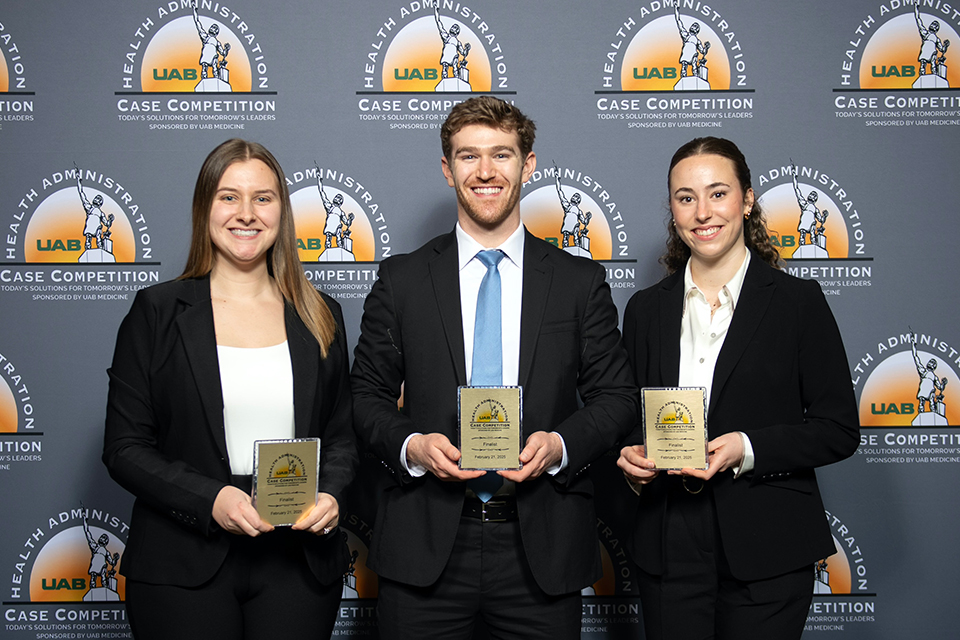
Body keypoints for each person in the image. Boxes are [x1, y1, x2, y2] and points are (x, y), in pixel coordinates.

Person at [351, 96, 637, 640]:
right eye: (468, 156)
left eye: (501, 155)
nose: (485, 172)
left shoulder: (579, 282)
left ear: (528, 165)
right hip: (425, 543)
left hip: (541, 547)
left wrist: (559, 446)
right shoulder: (402, 280)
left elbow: (617, 398)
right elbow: (365, 395)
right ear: (447, 168)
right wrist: (411, 446)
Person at [103, 139, 357, 640]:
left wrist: (331, 493)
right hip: (183, 561)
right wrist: (210, 499)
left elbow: (342, 436)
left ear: (282, 210)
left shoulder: (319, 313)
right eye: (228, 196)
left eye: (262, 198)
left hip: (298, 560)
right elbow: (124, 447)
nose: (246, 213)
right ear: (205, 208)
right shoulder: (156, 312)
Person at [617, 137, 859, 640]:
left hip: (767, 542)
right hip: (668, 540)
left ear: (747, 200)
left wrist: (745, 448)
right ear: (673, 209)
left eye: (718, 193)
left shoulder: (798, 303)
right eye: (686, 197)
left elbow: (838, 428)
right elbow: (624, 419)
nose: (703, 212)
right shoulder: (644, 311)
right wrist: (631, 464)